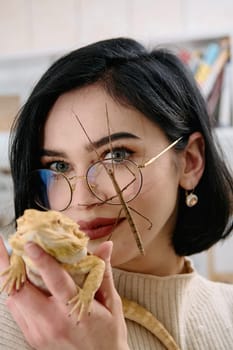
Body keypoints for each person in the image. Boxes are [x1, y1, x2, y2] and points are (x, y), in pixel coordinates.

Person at [0, 37, 233, 350]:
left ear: (190, 161)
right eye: (58, 165)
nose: (83, 196)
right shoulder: (18, 320)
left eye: (117, 156)